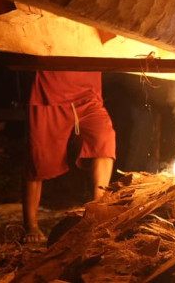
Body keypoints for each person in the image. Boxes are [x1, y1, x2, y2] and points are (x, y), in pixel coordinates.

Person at [23, 70, 116, 243]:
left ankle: (97, 213)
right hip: (49, 93)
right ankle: (30, 225)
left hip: (88, 96)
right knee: (39, 156)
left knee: (104, 138)